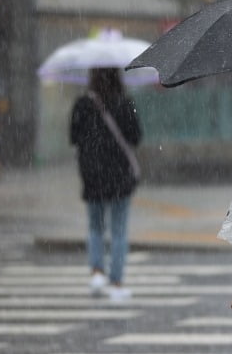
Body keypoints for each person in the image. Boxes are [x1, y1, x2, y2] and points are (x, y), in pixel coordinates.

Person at [70, 67, 142, 301]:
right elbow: (136, 137)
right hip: (120, 175)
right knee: (119, 230)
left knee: (95, 226)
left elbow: (73, 137)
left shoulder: (82, 104)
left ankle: (96, 272)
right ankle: (116, 283)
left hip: (92, 175)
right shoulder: (125, 103)